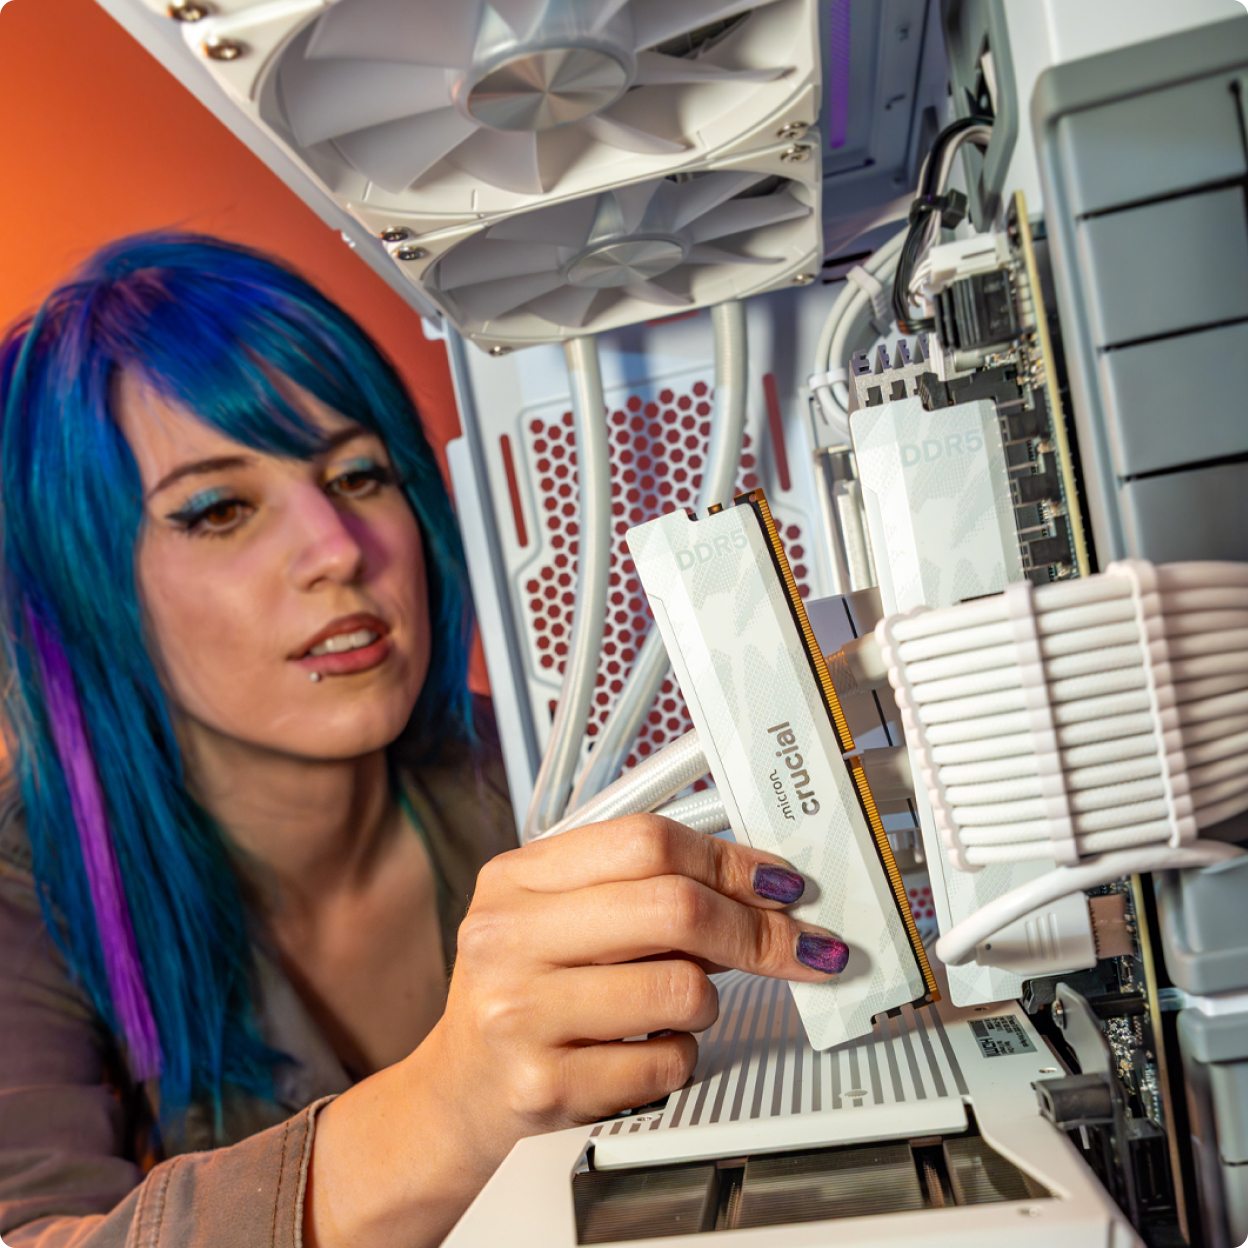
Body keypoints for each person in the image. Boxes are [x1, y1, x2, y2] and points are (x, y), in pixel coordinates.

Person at [0, 233, 850, 1248]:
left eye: (359, 476)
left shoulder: (544, 783)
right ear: (83, 588)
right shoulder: (25, 889)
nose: (336, 550)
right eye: (221, 508)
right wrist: (449, 1107)